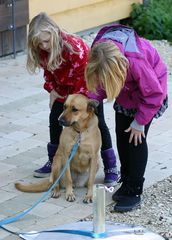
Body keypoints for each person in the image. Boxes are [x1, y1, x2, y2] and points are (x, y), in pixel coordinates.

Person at [26, 12, 119, 186]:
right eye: (39, 43)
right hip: (63, 93)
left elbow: (82, 75)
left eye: (47, 41)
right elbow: (48, 72)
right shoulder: (41, 50)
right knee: (55, 119)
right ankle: (55, 160)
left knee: (99, 124)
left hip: (86, 90)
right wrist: (52, 90)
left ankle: (110, 166)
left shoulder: (73, 47)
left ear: (54, 33)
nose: (44, 46)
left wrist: (77, 106)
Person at [85, 24, 168, 212]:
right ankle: (127, 180)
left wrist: (139, 122)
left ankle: (135, 190)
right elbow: (99, 82)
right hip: (126, 94)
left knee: (135, 141)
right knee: (122, 138)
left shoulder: (136, 61)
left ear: (119, 69)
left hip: (148, 97)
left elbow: (154, 94)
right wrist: (93, 100)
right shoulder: (99, 54)